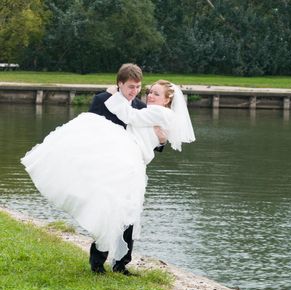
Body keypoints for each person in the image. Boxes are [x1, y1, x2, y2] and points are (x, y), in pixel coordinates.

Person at [21, 79, 195, 275]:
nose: (148, 95)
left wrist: (115, 96)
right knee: (116, 208)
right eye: (148, 92)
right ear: (121, 84)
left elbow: (134, 119)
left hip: (131, 165)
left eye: (155, 93)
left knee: (126, 212)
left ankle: (117, 263)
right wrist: (112, 96)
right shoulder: (135, 106)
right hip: (121, 163)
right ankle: (105, 262)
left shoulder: (154, 111)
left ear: (167, 99)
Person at [87, 63, 167, 274]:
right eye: (130, 87)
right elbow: (89, 131)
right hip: (107, 166)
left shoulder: (140, 108)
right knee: (107, 212)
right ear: (119, 84)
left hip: (132, 171)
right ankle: (97, 262)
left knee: (130, 213)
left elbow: (153, 142)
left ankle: (121, 264)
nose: (135, 92)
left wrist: (161, 139)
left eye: (138, 87)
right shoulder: (101, 101)